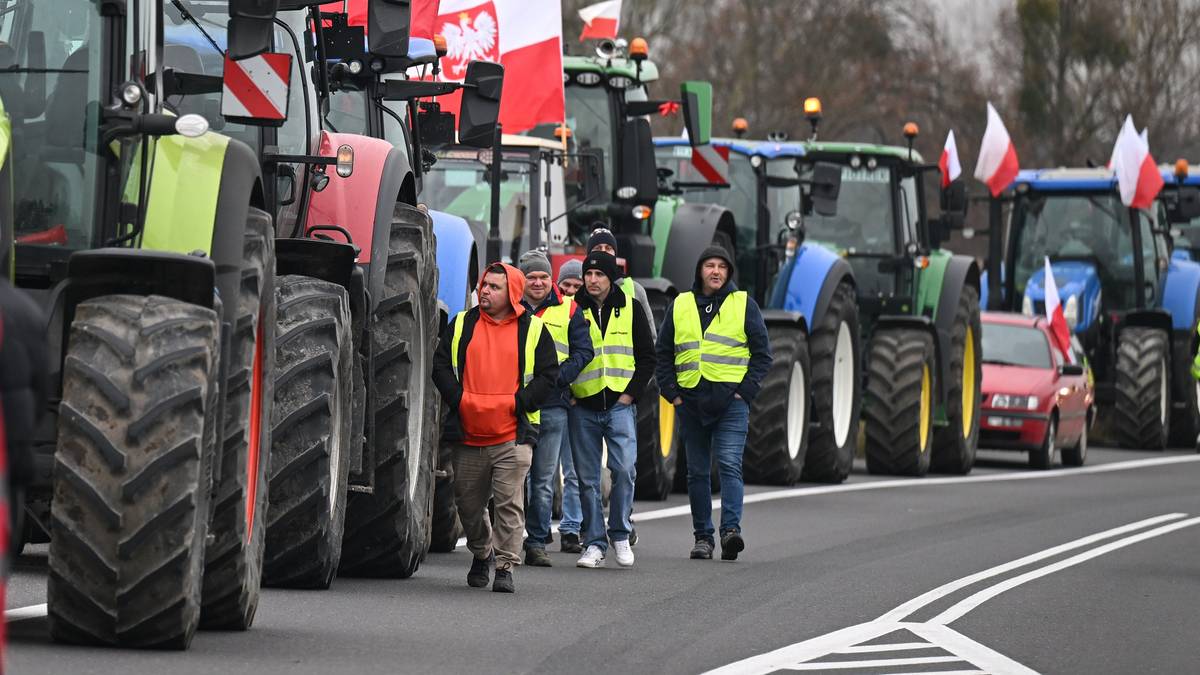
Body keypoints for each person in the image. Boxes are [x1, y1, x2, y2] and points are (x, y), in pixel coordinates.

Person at [431, 263, 559, 593]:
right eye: (484, 285)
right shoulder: (461, 324)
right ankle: (482, 551)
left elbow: (549, 377)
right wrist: (458, 399)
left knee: (509, 504)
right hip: (468, 433)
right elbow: (440, 365)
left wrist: (519, 403)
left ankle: (504, 566)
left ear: (512, 294)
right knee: (468, 506)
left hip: (512, 435)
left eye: (494, 287)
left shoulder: (533, 330)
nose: (484, 290)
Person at [655, 246, 771, 561]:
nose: (716, 271)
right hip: (690, 401)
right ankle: (703, 537)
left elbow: (763, 355)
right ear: (700, 271)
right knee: (696, 472)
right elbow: (663, 353)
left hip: (731, 402)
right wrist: (673, 394)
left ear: (729, 272)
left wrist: (744, 392)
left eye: (722, 266)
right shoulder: (680, 304)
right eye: (710, 266)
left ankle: (730, 532)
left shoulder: (744, 304)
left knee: (730, 464)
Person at [570, 251, 656, 569]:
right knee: (588, 478)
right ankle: (594, 543)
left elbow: (648, 356)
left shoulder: (630, 308)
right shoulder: (572, 309)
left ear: (610, 278)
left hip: (620, 405)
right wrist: (569, 394)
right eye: (588, 274)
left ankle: (619, 533)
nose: (592, 280)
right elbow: (558, 354)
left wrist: (630, 395)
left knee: (624, 470)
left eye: (599, 275)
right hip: (583, 406)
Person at [517, 250, 593, 566]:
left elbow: (584, 351)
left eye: (543, 277)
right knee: (510, 479)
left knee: (543, 480)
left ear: (552, 280)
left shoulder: (569, 309)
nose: (538, 282)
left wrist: (559, 379)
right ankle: (505, 539)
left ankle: (535, 543)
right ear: (522, 279)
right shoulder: (510, 307)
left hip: (552, 405)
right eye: (531, 277)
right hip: (515, 404)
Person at [555, 258, 585, 552]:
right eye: (567, 286)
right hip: (557, 397)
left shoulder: (585, 314)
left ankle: (571, 527)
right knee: (540, 469)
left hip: (581, 400)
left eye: (578, 286)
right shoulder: (552, 312)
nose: (572, 291)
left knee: (573, 468)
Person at [586, 227, 656, 340]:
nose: (603, 251)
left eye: (608, 248)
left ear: (615, 254)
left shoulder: (636, 290)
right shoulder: (578, 288)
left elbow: (650, 338)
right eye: (598, 248)